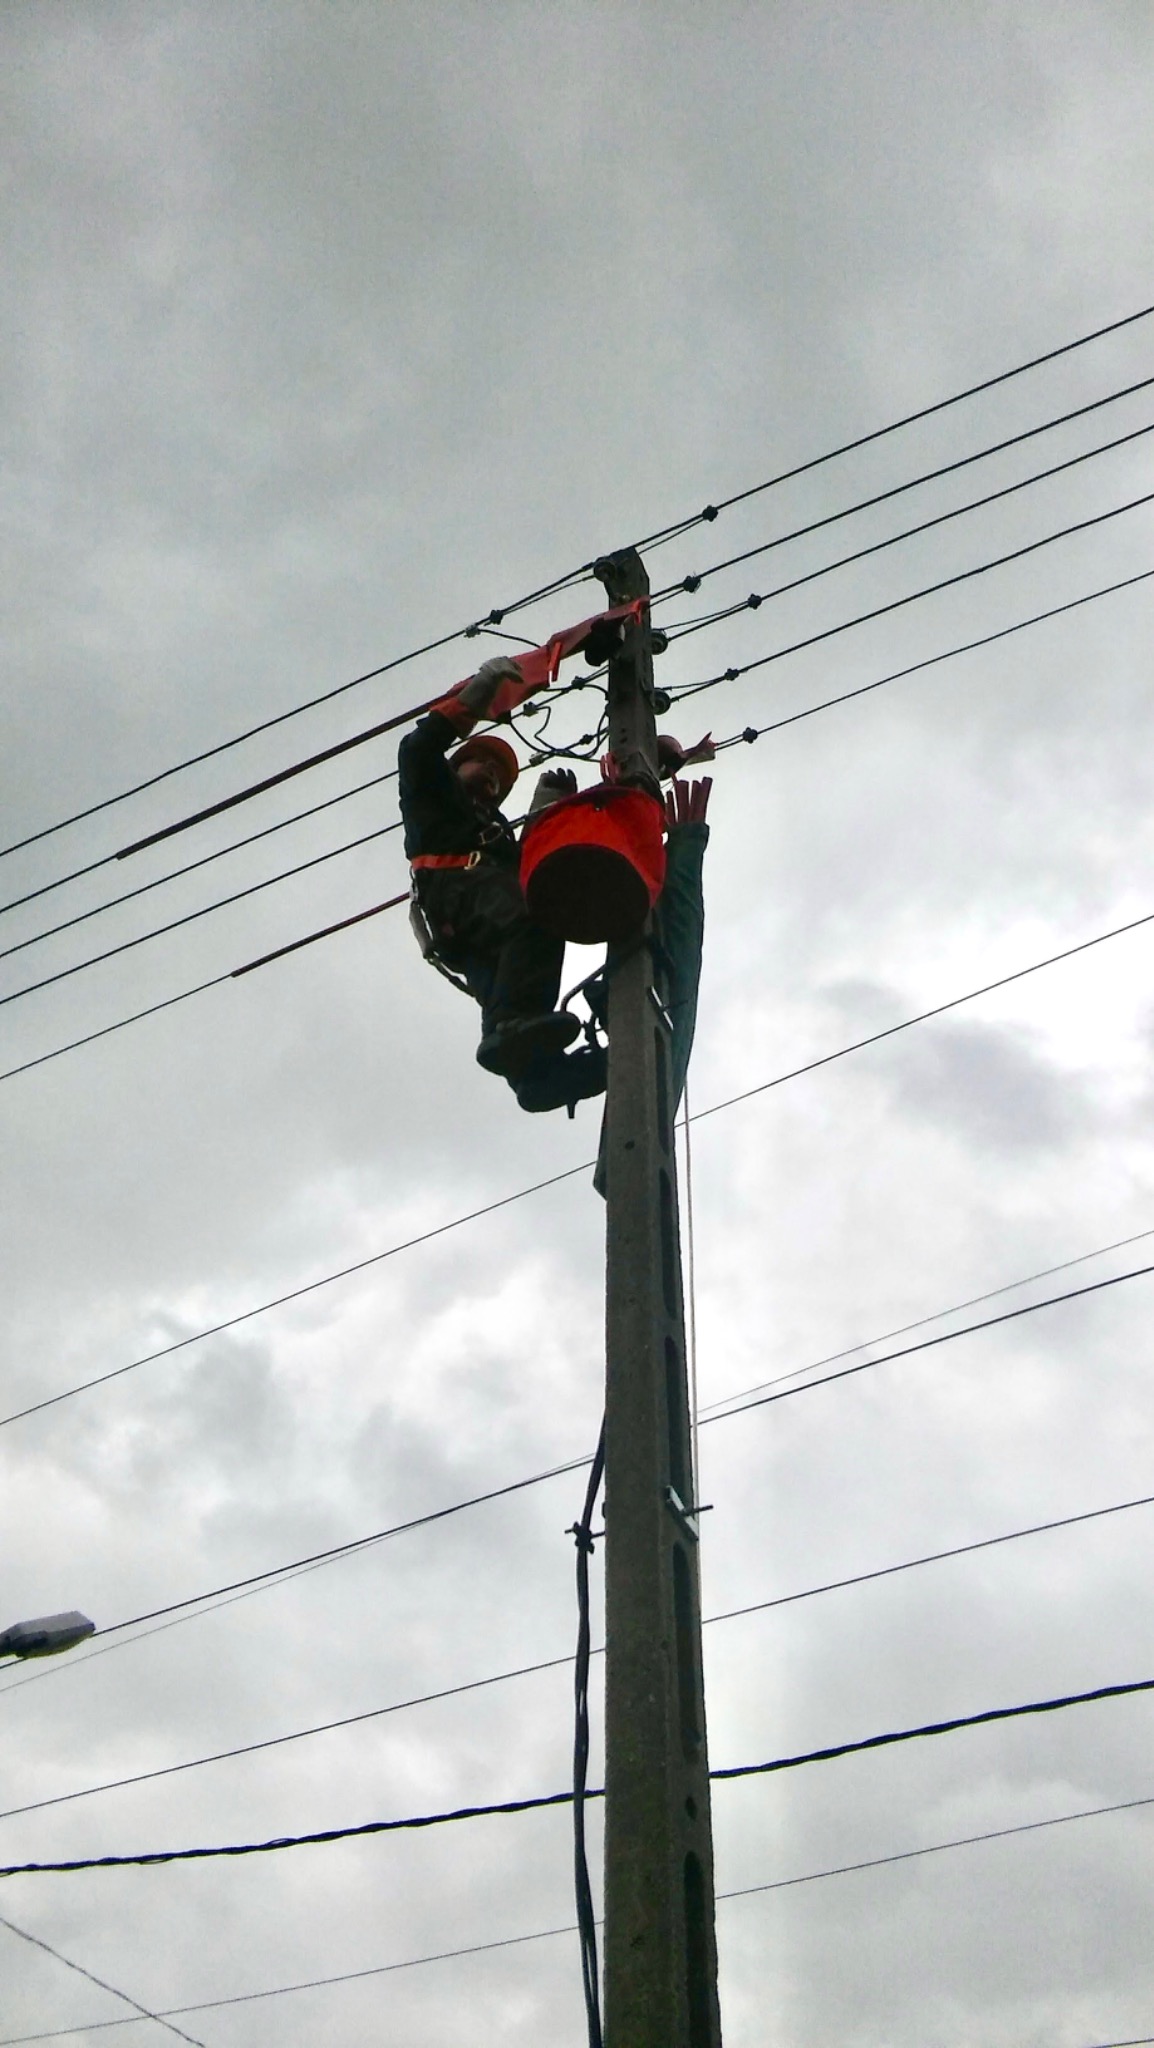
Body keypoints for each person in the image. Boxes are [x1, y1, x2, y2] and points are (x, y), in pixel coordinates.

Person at [397, 655, 608, 1114]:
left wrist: (548, 809)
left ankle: (534, 1075)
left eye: (500, 776)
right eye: (483, 765)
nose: (493, 775)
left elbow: (531, 863)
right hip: (454, 896)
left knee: (511, 975)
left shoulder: (495, 833)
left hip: (474, 923)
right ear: (456, 769)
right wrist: (476, 695)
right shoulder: (433, 797)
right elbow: (416, 751)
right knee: (536, 911)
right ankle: (514, 1026)